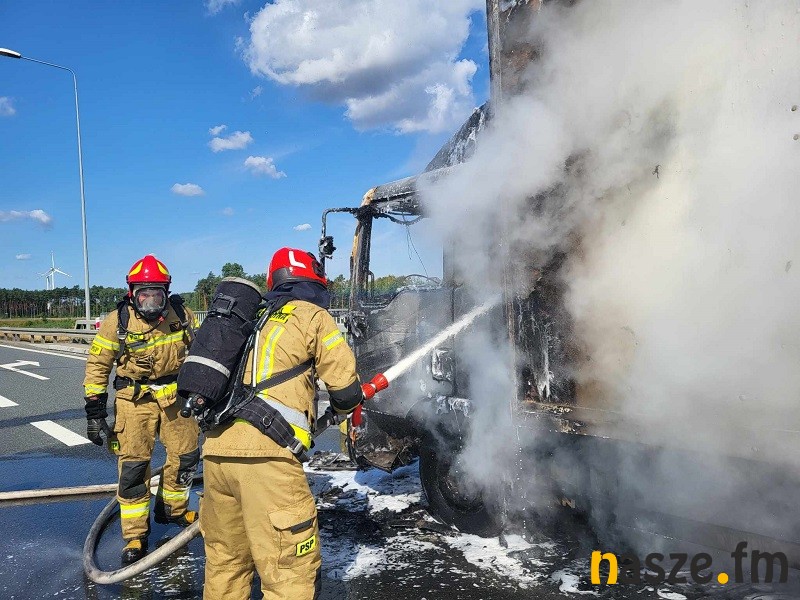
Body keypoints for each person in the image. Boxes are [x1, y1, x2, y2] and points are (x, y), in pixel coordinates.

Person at [200, 247, 363, 600]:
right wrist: (344, 406)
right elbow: (346, 389)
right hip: (268, 461)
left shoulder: (250, 318)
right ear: (315, 281)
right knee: (289, 573)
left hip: (215, 455)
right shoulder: (312, 316)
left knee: (226, 565)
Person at [83, 254, 200, 565]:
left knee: (187, 456)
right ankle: (135, 534)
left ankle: (173, 510)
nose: (150, 302)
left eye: (156, 295)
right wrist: (94, 411)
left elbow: (200, 352)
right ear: (132, 294)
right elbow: (98, 365)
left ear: (166, 293)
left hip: (175, 398)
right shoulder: (117, 322)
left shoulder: (181, 314)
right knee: (134, 467)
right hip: (134, 401)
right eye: (143, 295)